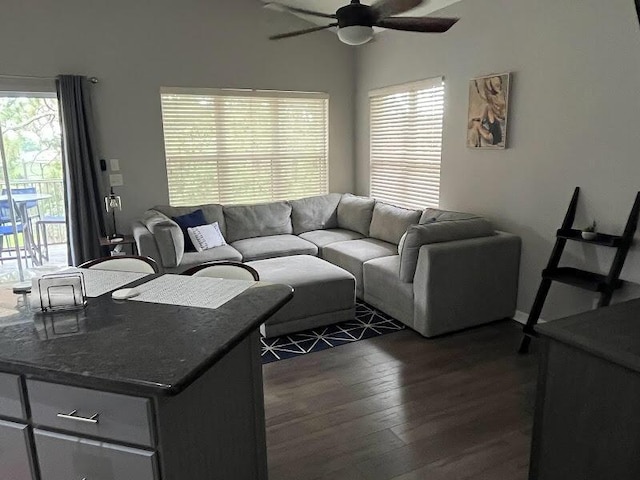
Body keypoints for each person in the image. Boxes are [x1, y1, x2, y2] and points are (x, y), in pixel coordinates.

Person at [468, 76, 507, 147]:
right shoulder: (492, 105)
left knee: (476, 126)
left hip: (492, 136)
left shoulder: (488, 106)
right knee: (477, 126)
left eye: (498, 84)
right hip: (496, 135)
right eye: (496, 84)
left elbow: (481, 120)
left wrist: (476, 122)